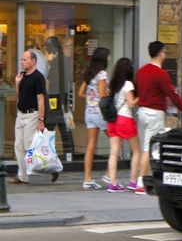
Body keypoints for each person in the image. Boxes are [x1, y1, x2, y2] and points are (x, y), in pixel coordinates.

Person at [135, 41, 182, 195]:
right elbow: (172, 94)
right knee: (148, 148)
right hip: (154, 113)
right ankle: (141, 182)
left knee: (149, 145)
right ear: (161, 52)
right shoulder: (160, 74)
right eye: (164, 52)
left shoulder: (141, 71)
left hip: (142, 112)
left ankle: (151, 176)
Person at [11, 50, 58, 184]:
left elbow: (41, 100)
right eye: (21, 59)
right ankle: (22, 176)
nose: (22, 62)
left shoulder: (38, 77)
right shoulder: (23, 76)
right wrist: (17, 83)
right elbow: (19, 98)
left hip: (32, 114)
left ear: (33, 61)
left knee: (29, 146)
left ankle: (52, 167)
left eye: (25, 59)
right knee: (18, 146)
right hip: (21, 114)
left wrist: (41, 120)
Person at [105, 58, 140, 193]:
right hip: (125, 119)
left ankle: (113, 183)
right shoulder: (128, 84)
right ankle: (133, 181)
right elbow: (131, 103)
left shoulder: (113, 85)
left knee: (113, 152)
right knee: (136, 150)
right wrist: (141, 97)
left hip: (112, 121)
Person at [78, 47, 110, 189]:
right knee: (117, 142)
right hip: (100, 113)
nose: (109, 58)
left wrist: (91, 98)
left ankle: (87, 179)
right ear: (103, 58)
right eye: (108, 56)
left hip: (89, 112)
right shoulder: (102, 74)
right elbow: (103, 94)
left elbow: (80, 92)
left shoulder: (89, 73)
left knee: (90, 146)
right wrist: (109, 94)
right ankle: (109, 175)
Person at [44, 36, 74, 162]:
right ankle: (67, 154)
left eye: (47, 46)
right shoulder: (59, 60)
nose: (46, 49)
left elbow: (56, 80)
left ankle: (62, 154)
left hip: (57, 98)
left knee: (54, 127)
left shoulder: (60, 61)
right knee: (60, 127)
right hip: (59, 98)